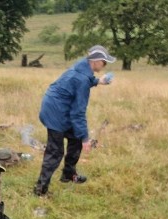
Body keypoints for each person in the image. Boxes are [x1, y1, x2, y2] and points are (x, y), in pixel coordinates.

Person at [33, 45, 115, 196]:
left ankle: (68, 174)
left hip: (59, 107)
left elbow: (83, 80)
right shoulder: (82, 78)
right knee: (55, 151)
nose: (105, 65)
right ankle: (40, 189)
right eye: (104, 62)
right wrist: (85, 138)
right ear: (95, 61)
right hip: (55, 112)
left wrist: (98, 82)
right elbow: (78, 112)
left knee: (75, 138)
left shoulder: (83, 66)